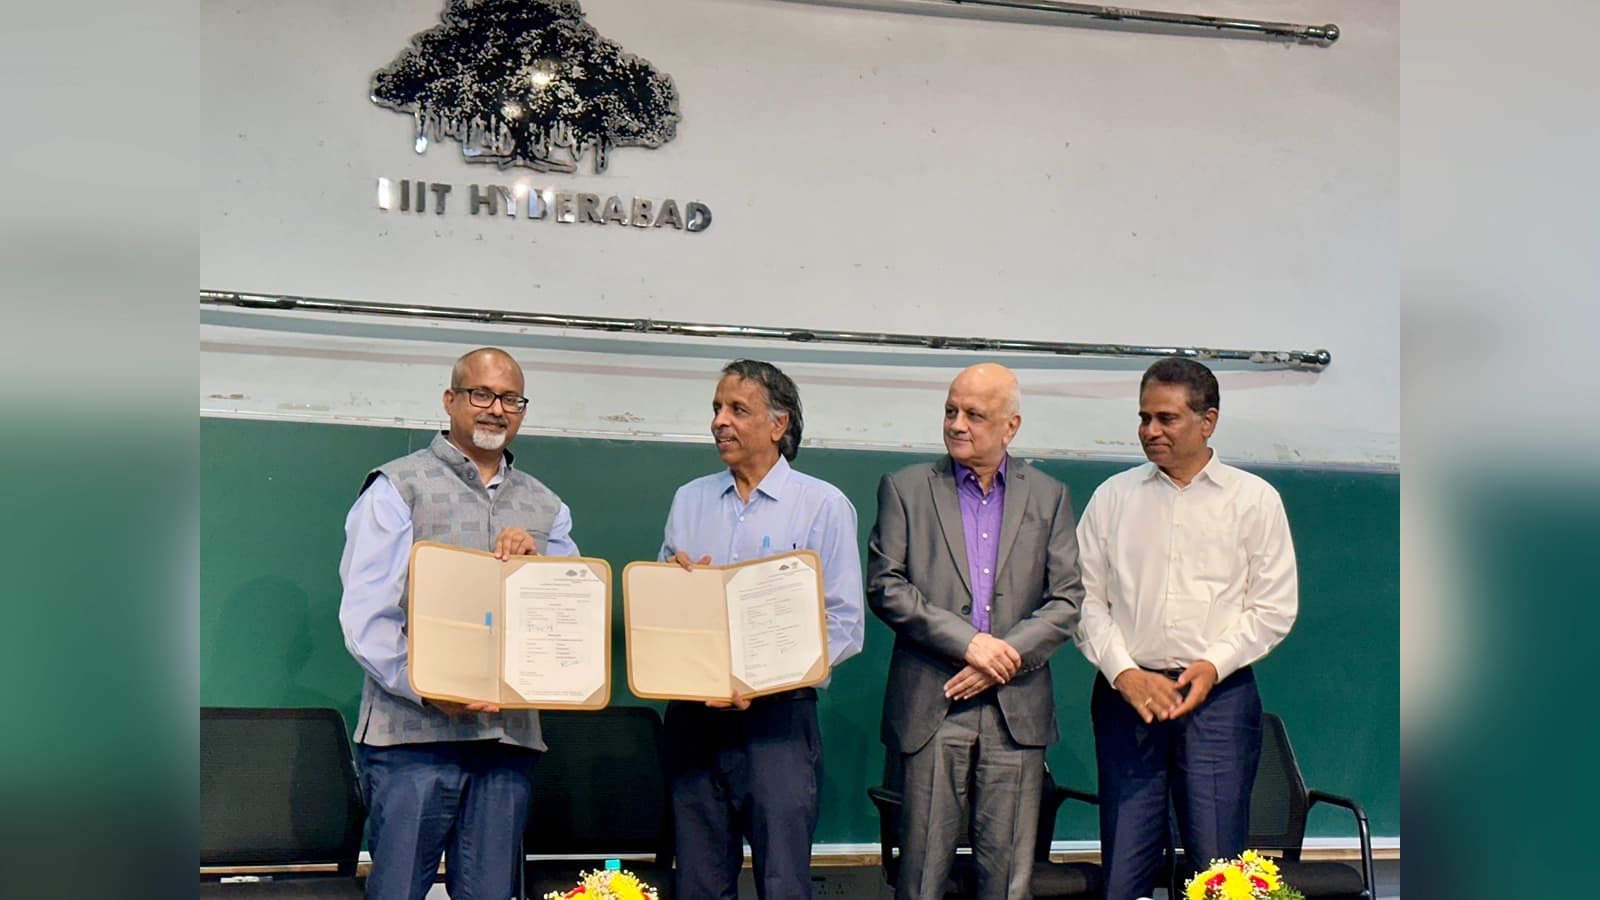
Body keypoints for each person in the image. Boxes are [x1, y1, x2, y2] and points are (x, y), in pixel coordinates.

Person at [337, 347, 580, 900]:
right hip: (412, 743)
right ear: (450, 401)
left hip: (506, 744)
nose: (496, 408)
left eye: (510, 398)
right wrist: (427, 688)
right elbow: (365, 617)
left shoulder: (548, 508)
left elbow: (569, 620)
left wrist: (538, 570)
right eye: (481, 394)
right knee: (397, 892)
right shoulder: (397, 488)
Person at [1074, 357, 1299, 900]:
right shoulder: (1113, 497)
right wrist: (1125, 673)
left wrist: (1211, 665)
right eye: (1144, 417)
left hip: (1218, 700)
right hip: (1127, 699)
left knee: (1220, 871)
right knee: (1124, 870)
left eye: (1167, 419)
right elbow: (1082, 599)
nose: (1151, 431)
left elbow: (1273, 607)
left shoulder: (1254, 500)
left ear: (1208, 421)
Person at [867, 363, 1084, 900]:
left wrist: (1001, 654)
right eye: (950, 410)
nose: (957, 424)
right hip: (933, 701)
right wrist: (969, 643)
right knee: (920, 877)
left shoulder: (1050, 496)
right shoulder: (906, 488)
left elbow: (1067, 599)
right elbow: (886, 586)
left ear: (1011, 426)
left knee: (1009, 880)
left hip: (1016, 706)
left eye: (974, 414)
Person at [656, 358, 865, 900]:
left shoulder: (823, 505)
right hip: (693, 719)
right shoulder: (688, 499)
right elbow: (660, 615)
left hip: (778, 721)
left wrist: (766, 679)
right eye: (716, 409)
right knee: (698, 883)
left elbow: (844, 623)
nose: (719, 422)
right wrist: (671, 587)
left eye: (737, 410)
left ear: (778, 425)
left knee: (783, 882)